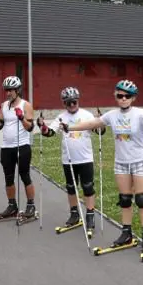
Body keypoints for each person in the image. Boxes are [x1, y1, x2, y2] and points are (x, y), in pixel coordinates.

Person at [62, 80, 143, 255]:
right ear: (115, 95)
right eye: (120, 95)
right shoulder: (112, 115)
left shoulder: (139, 113)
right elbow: (93, 124)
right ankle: (126, 233)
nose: (123, 99)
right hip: (121, 163)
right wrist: (70, 127)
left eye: (127, 96)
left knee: (142, 199)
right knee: (124, 199)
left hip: (140, 161)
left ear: (133, 98)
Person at [39, 87, 102, 235]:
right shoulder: (61, 117)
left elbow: (99, 132)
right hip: (68, 159)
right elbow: (50, 132)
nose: (72, 105)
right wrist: (42, 126)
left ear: (78, 100)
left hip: (85, 158)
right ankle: (74, 214)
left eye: (74, 102)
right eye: (68, 103)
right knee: (71, 187)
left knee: (88, 187)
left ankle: (90, 215)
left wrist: (100, 122)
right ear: (64, 103)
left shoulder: (86, 115)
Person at [0, 76, 37, 222]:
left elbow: (30, 128)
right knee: (8, 178)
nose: (8, 93)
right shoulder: (4, 106)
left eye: (10, 90)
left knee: (25, 176)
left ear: (17, 90)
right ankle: (12, 206)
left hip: (22, 146)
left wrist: (22, 117)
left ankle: (31, 205)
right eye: (6, 90)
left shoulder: (26, 105)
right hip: (6, 148)